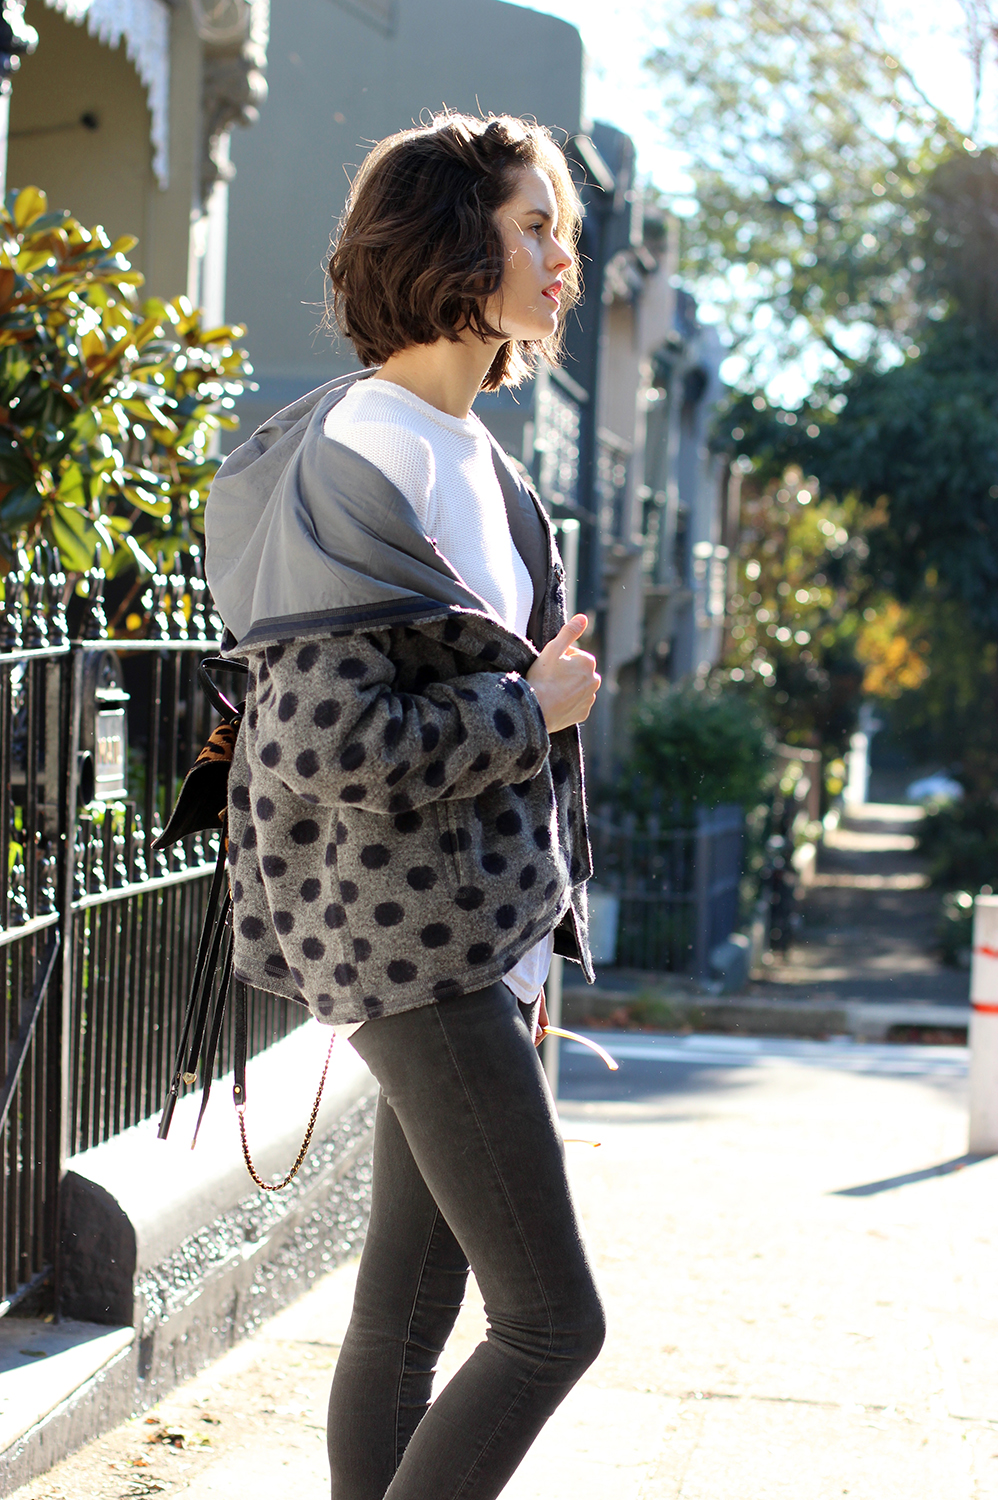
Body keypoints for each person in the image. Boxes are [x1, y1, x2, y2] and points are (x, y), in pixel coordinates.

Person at [204, 111, 604, 1500]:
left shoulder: (482, 461)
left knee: (405, 1320)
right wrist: (533, 709)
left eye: (562, 225)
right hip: (412, 947)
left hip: (479, 937)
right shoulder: (358, 456)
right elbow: (327, 739)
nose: (564, 253)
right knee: (554, 1322)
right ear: (451, 243)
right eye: (535, 225)